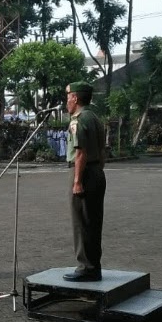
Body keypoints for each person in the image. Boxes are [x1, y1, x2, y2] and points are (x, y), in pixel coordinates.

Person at [63, 81, 106, 282]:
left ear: (75, 98)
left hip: (84, 172)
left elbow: (80, 153)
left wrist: (77, 181)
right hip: (97, 171)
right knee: (94, 221)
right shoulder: (95, 118)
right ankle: (93, 265)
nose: (66, 102)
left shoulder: (78, 120)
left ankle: (85, 267)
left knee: (81, 221)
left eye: (68, 98)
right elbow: (102, 149)